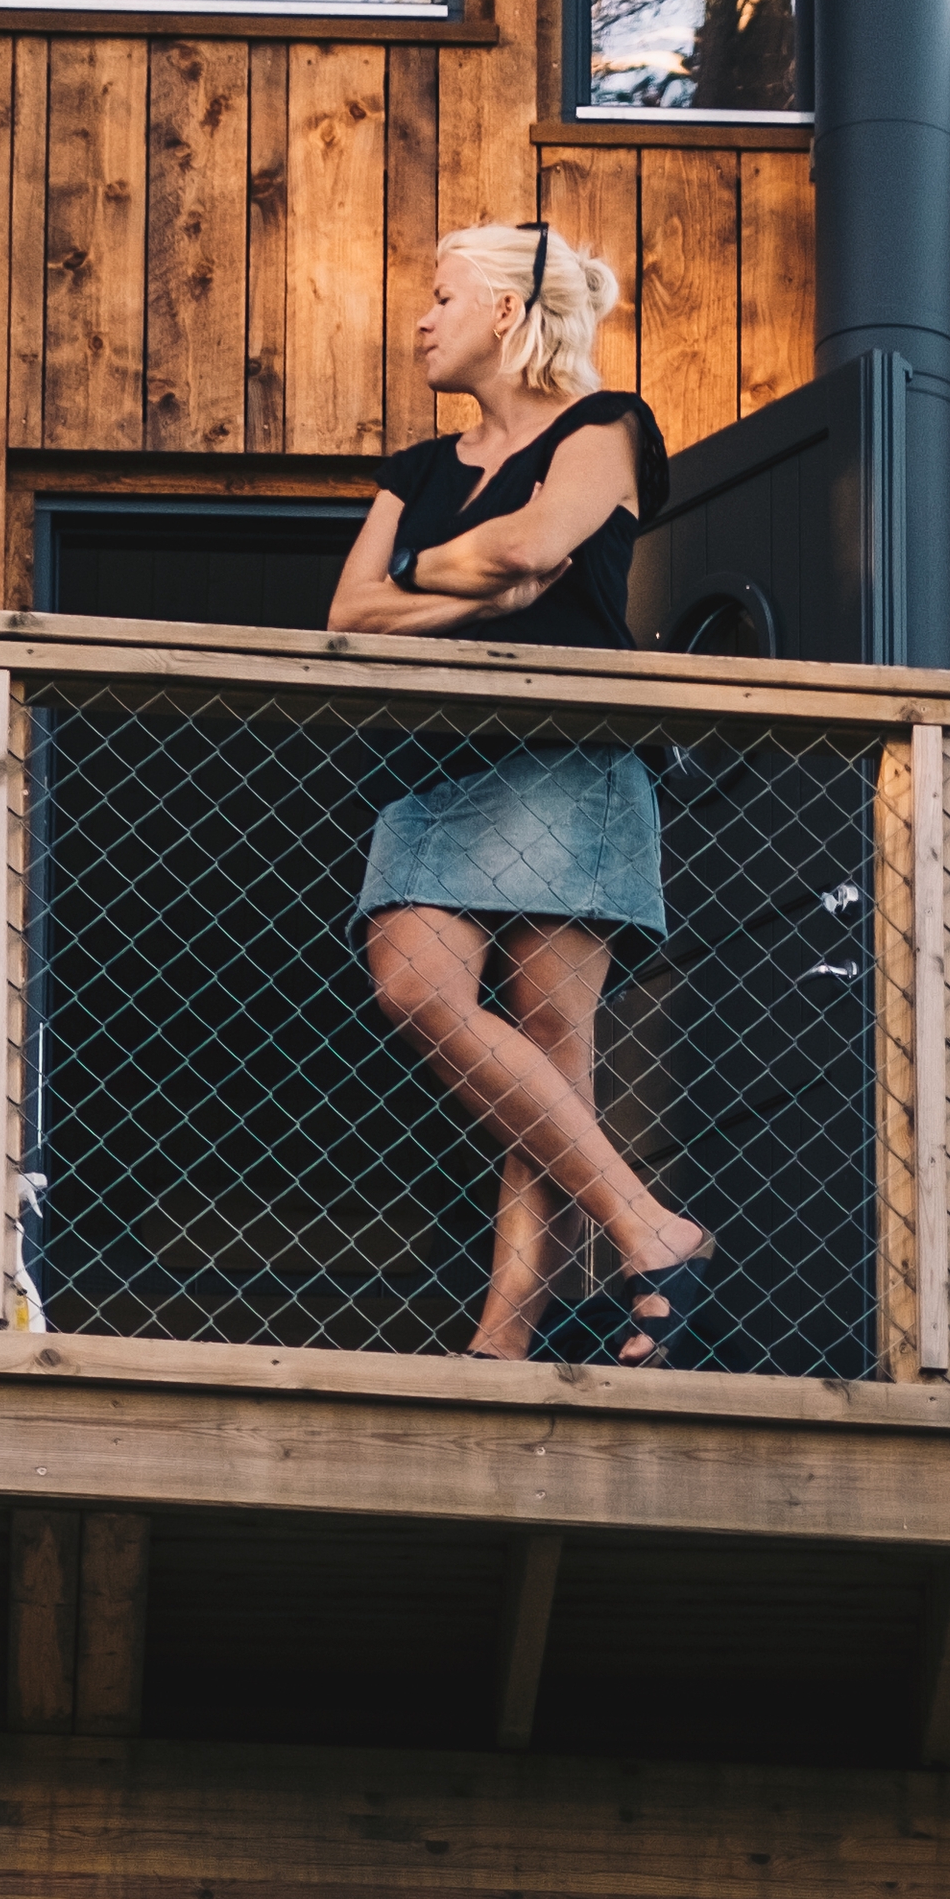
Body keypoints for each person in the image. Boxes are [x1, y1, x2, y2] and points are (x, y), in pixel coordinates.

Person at [328, 222, 710, 1368]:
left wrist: (434, 577)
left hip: (565, 753)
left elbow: (542, 540)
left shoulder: (610, 428)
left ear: (505, 313)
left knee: (552, 1041)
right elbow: (349, 613)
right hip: (426, 767)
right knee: (411, 986)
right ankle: (651, 1228)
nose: (420, 320)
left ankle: (508, 1328)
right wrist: (489, 584)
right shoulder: (416, 472)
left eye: (442, 298)